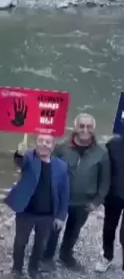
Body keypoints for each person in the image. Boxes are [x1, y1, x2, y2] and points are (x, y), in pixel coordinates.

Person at [43, 113, 110, 271]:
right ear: (75, 128)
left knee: (74, 230)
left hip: (84, 202)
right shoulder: (61, 148)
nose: (85, 130)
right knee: (53, 229)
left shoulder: (101, 153)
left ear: (94, 129)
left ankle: (66, 255)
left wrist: (97, 201)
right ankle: (47, 257)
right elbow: (47, 170)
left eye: (89, 127)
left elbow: (105, 181)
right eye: (81, 126)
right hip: (60, 199)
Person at [5, 134, 69, 278]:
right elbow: (19, 161)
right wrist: (19, 152)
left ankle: (33, 269)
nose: (44, 144)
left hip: (47, 214)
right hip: (25, 212)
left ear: (53, 146)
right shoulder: (29, 158)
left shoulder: (61, 166)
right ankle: (16, 269)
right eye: (40, 141)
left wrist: (61, 215)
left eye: (48, 142)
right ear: (36, 143)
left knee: (41, 244)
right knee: (20, 242)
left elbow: (64, 192)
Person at [97, 133, 124, 272]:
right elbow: (103, 168)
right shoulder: (113, 144)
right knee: (109, 228)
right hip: (114, 194)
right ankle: (107, 256)